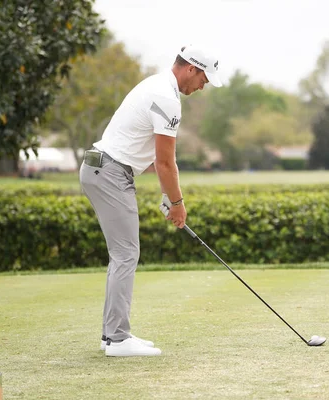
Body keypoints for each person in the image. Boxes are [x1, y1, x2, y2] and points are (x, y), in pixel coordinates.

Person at [79, 44, 222, 357]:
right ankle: (117, 339)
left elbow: (149, 155)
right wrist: (178, 203)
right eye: (203, 80)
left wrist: (166, 195)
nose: (202, 87)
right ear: (191, 69)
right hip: (109, 173)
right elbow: (165, 163)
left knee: (123, 253)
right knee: (126, 253)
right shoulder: (167, 99)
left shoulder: (155, 85)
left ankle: (112, 335)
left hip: (104, 169)